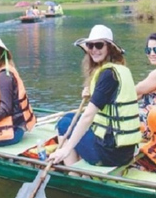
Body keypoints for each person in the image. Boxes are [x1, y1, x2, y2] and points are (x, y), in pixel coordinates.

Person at [48, 25, 141, 167]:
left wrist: (65, 150)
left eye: (99, 45)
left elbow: (88, 116)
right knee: (68, 118)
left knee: (64, 124)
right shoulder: (120, 70)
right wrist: (93, 93)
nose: (94, 50)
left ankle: (74, 171)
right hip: (125, 151)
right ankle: (76, 162)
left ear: (109, 48)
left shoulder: (108, 75)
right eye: (90, 46)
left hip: (110, 154)